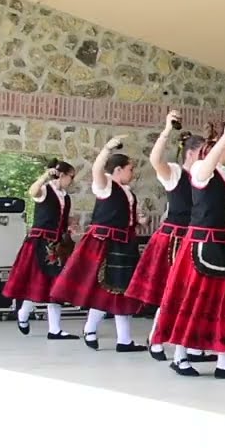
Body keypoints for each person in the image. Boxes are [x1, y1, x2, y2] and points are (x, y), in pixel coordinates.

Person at [151, 121, 225, 378]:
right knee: (193, 300)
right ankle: (180, 356)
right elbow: (207, 165)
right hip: (203, 246)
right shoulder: (200, 170)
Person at [126, 111, 214, 363]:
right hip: (174, 238)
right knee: (173, 292)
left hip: (195, 238)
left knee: (194, 294)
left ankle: (193, 345)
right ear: (192, 153)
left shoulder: (204, 176)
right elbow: (155, 159)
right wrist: (166, 130)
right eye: (205, 152)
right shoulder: (175, 173)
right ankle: (156, 338)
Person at [49, 136, 147, 352]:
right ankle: (93, 329)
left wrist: (137, 221)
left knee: (119, 291)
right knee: (106, 290)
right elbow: (96, 169)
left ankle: (123, 340)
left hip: (123, 244)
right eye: (130, 169)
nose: (133, 173)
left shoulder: (126, 191)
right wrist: (107, 148)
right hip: (105, 243)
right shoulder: (106, 185)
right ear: (118, 170)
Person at [7, 159, 79, 339]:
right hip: (41, 242)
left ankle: (54, 329)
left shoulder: (65, 196)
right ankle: (23, 313)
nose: (72, 180)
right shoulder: (46, 189)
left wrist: (69, 223)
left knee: (55, 284)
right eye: (71, 176)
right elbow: (32, 192)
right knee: (39, 283)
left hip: (58, 245)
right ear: (61, 175)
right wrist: (45, 176)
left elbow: (59, 216)